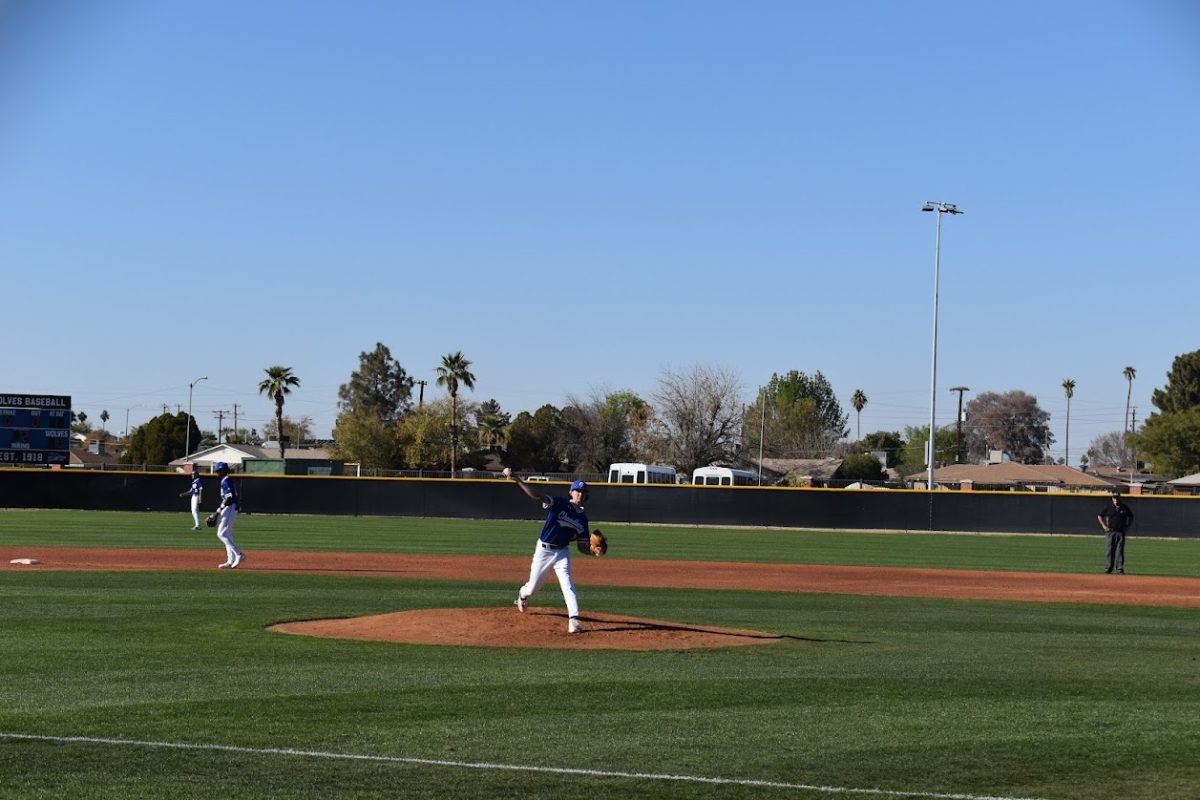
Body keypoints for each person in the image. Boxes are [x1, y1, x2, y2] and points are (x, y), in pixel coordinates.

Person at [504, 467, 599, 634]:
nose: (580, 494)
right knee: (533, 588)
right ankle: (523, 594)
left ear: (586, 496)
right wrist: (517, 479)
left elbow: (582, 546)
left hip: (562, 552)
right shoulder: (559, 503)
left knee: (568, 585)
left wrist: (592, 551)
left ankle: (574, 620)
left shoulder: (583, 520)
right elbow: (537, 495)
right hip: (544, 550)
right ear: (571, 492)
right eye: (577, 491)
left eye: (583, 492)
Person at [213, 461, 246, 569]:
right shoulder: (226, 480)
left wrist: (218, 512)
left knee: (221, 534)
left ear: (223, 471)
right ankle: (230, 561)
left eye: (218, 470)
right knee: (227, 534)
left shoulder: (226, 481)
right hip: (230, 507)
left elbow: (229, 498)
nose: (216, 472)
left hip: (230, 507)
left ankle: (239, 554)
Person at [1097, 489, 1133, 574]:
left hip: (1120, 532)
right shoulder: (1108, 507)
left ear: (1120, 498)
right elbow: (1099, 516)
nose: (1116, 500)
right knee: (1109, 550)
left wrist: (1127, 527)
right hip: (1110, 532)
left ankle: (1119, 568)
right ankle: (1109, 567)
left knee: (1119, 551)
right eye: (1114, 498)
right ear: (1112, 498)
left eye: (1117, 498)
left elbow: (1131, 516)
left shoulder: (1124, 507)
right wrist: (1104, 526)